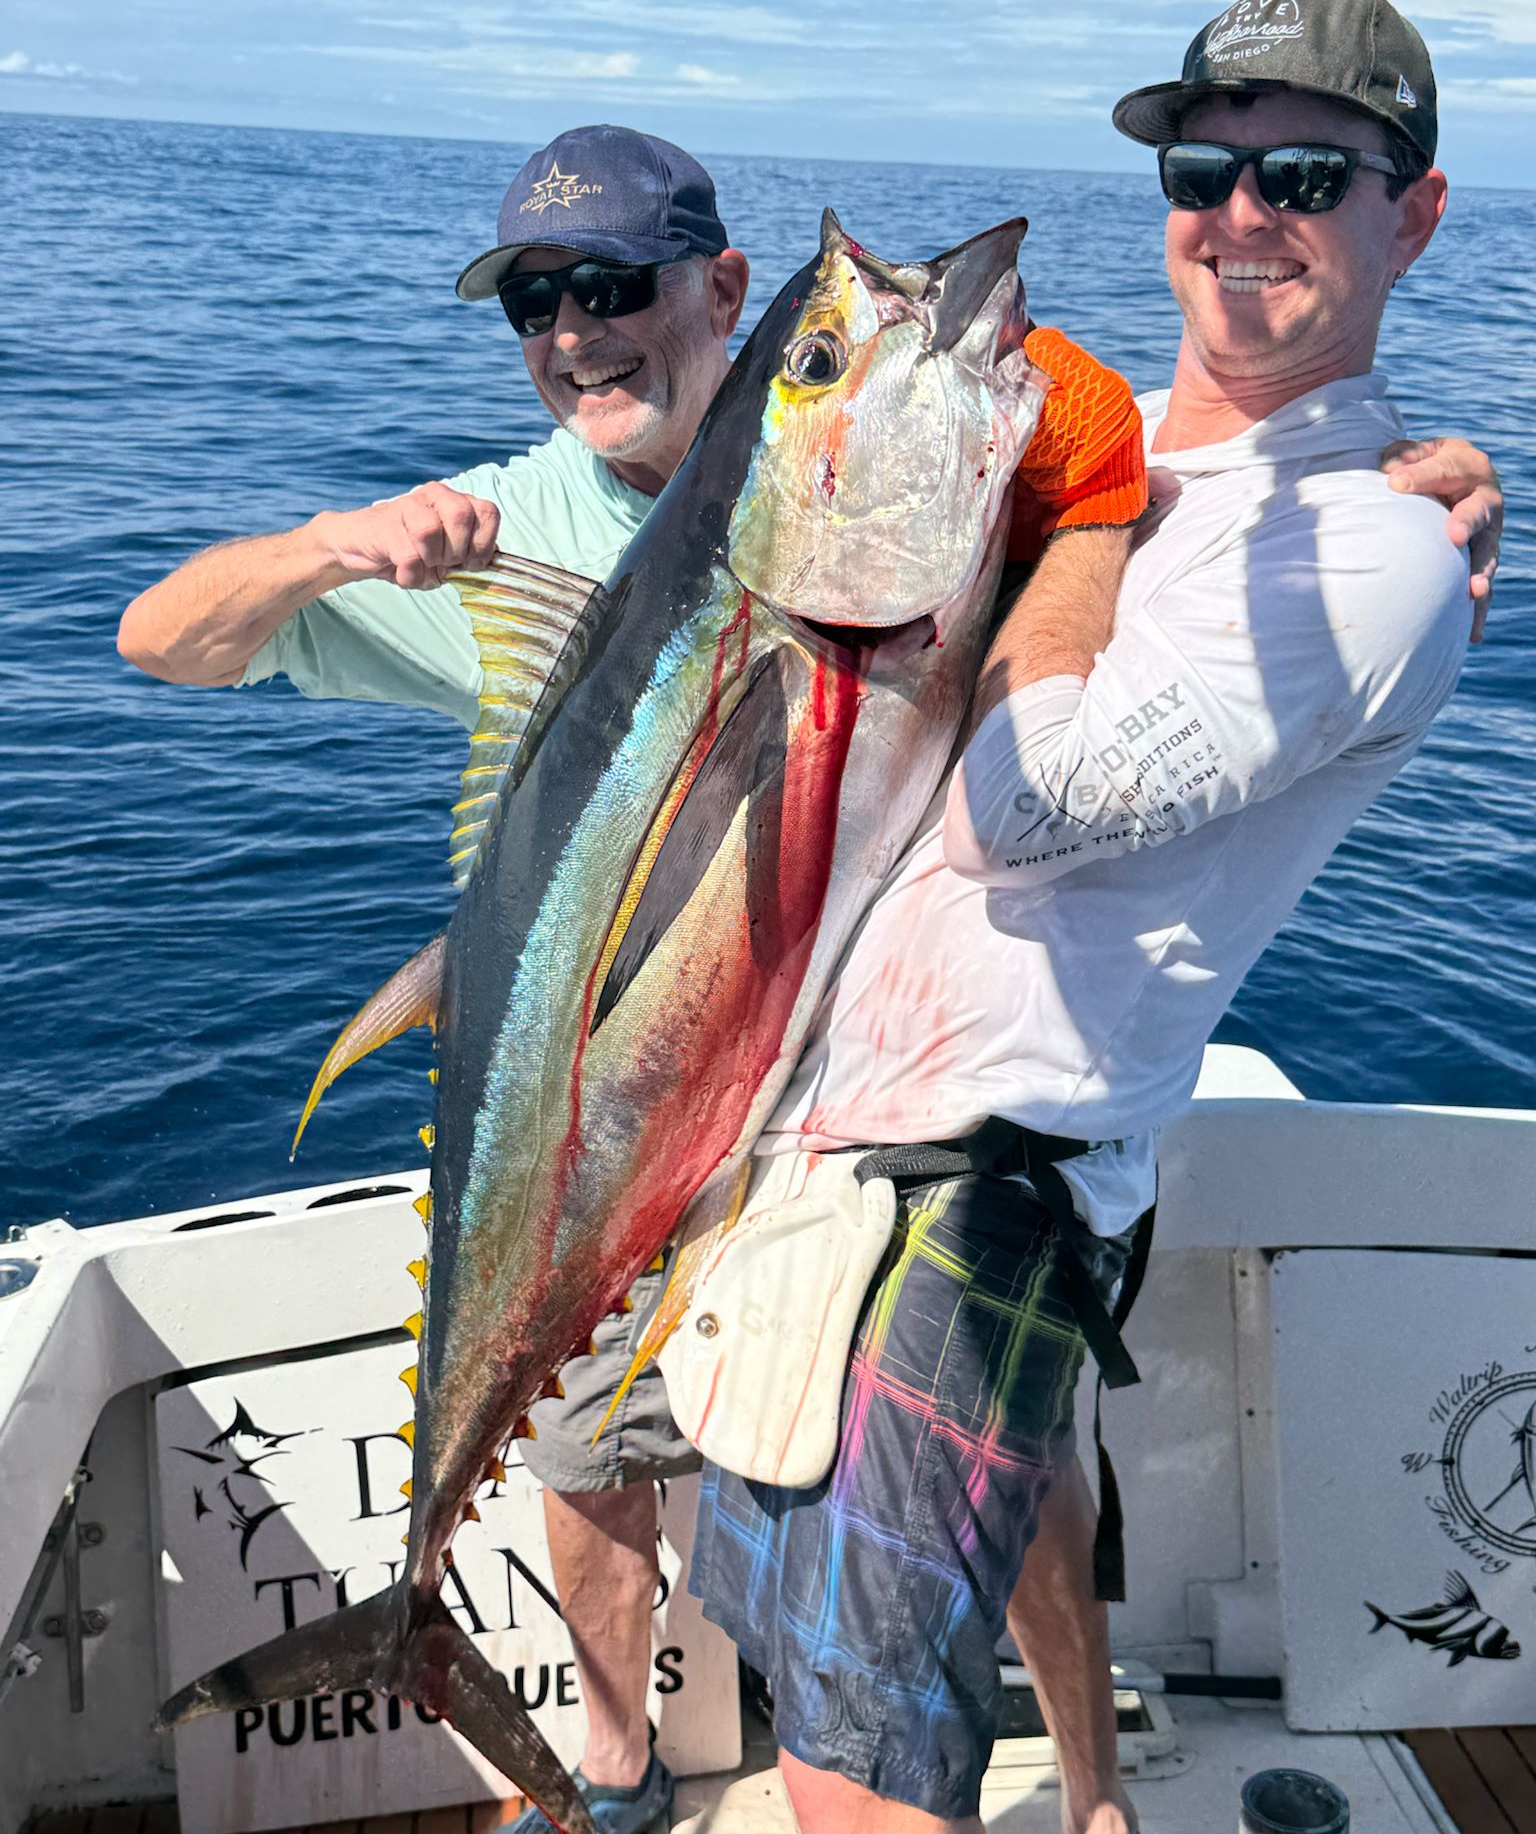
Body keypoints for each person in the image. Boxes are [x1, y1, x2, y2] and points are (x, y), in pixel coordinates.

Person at [116, 100, 1498, 1834]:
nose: (572, 331)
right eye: (530, 301)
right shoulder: (508, 525)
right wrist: (329, 545)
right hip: (629, 1097)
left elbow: (1147, 512)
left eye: (611, 283)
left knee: (1010, 1504)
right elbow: (155, 638)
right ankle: (602, 1772)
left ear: (724, 294)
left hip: (885, 1119)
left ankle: (1087, 1788)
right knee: (617, 1474)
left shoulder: (905, 482)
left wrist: (1391, 473)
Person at [683, 0, 1492, 1834]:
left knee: (851, 1756)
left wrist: (1098, 502)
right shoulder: (1122, 466)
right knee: (937, 1577)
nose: (1240, 213)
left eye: (1308, 171)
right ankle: (1107, 1798)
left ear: (1416, 214)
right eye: (1203, 171)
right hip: (841, 1134)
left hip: (970, 1179)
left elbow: (1013, 812)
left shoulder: (1371, 550)